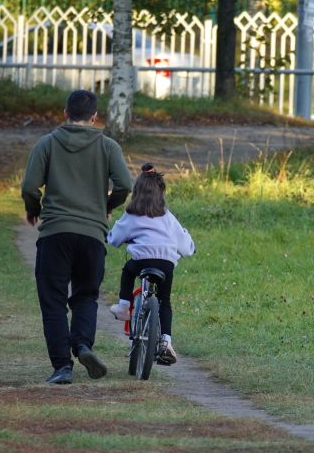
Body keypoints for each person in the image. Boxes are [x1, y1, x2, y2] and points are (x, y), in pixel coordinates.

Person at [21, 90, 133, 385]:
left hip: (55, 234)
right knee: (85, 296)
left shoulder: (47, 144)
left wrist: (34, 209)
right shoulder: (108, 146)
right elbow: (124, 184)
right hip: (92, 235)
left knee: (53, 301)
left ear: (64, 113)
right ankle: (83, 345)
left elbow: (30, 186)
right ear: (95, 117)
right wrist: (104, 207)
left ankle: (62, 367)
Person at [107, 163, 195, 365]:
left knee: (128, 271)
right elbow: (185, 245)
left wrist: (111, 237)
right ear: (161, 193)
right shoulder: (167, 216)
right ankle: (166, 341)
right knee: (164, 300)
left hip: (142, 260)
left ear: (136, 192)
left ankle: (123, 307)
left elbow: (115, 238)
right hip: (166, 263)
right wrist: (191, 248)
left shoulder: (132, 214)